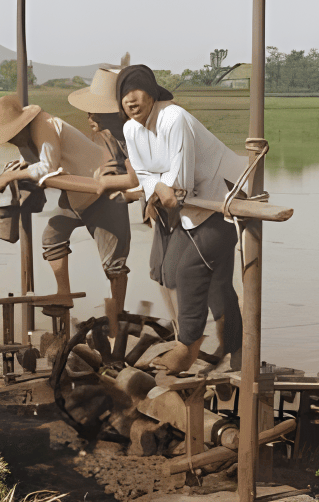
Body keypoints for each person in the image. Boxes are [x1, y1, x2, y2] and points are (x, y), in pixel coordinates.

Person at [96, 64, 246, 373]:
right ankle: (229, 348)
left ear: (152, 93)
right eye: (124, 95)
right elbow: (146, 175)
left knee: (191, 271)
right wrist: (157, 188)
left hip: (223, 200)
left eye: (136, 91)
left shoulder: (173, 118)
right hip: (188, 207)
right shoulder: (131, 129)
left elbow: (181, 183)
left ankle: (188, 348)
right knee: (168, 270)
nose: (130, 100)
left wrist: (163, 188)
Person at [0, 88, 131, 315]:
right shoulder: (26, 139)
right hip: (75, 196)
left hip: (101, 191)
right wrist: (19, 167)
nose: (12, 141)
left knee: (113, 263)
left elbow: (47, 167)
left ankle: (117, 316)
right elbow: (39, 163)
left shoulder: (44, 125)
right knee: (52, 236)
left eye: (12, 135)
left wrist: (10, 176)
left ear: (22, 126)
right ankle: (63, 293)